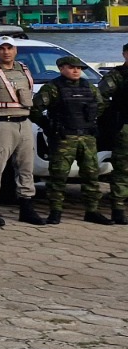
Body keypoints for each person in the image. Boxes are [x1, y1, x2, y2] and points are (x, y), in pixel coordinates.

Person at [0, 35, 44, 226]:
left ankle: (26, 208)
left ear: (15, 50)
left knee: (26, 167)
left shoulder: (23, 69)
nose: (6, 52)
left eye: (9, 48)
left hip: (24, 122)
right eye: (2, 48)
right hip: (2, 124)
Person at [31, 56, 110, 225]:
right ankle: (55, 212)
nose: (76, 71)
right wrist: (49, 126)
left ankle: (92, 211)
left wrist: (90, 121)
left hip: (87, 137)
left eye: (79, 68)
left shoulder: (89, 87)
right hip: (63, 138)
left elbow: (100, 106)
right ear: (61, 68)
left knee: (91, 175)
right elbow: (35, 109)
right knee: (58, 176)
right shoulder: (52, 88)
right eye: (72, 67)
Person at [98, 42, 128, 225]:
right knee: (123, 169)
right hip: (125, 126)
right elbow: (99, 97)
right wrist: (112, 115)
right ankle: (118, 208)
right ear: (124, 54)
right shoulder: (116, 76)